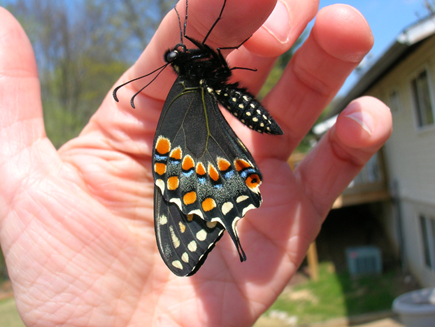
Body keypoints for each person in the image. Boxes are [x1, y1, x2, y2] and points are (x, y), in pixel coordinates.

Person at [0, 0, 392, 326]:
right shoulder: (182, 95)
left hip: (225, 119)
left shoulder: (190, 86)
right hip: (217, 147)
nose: (178, 54)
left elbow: (213, 52)